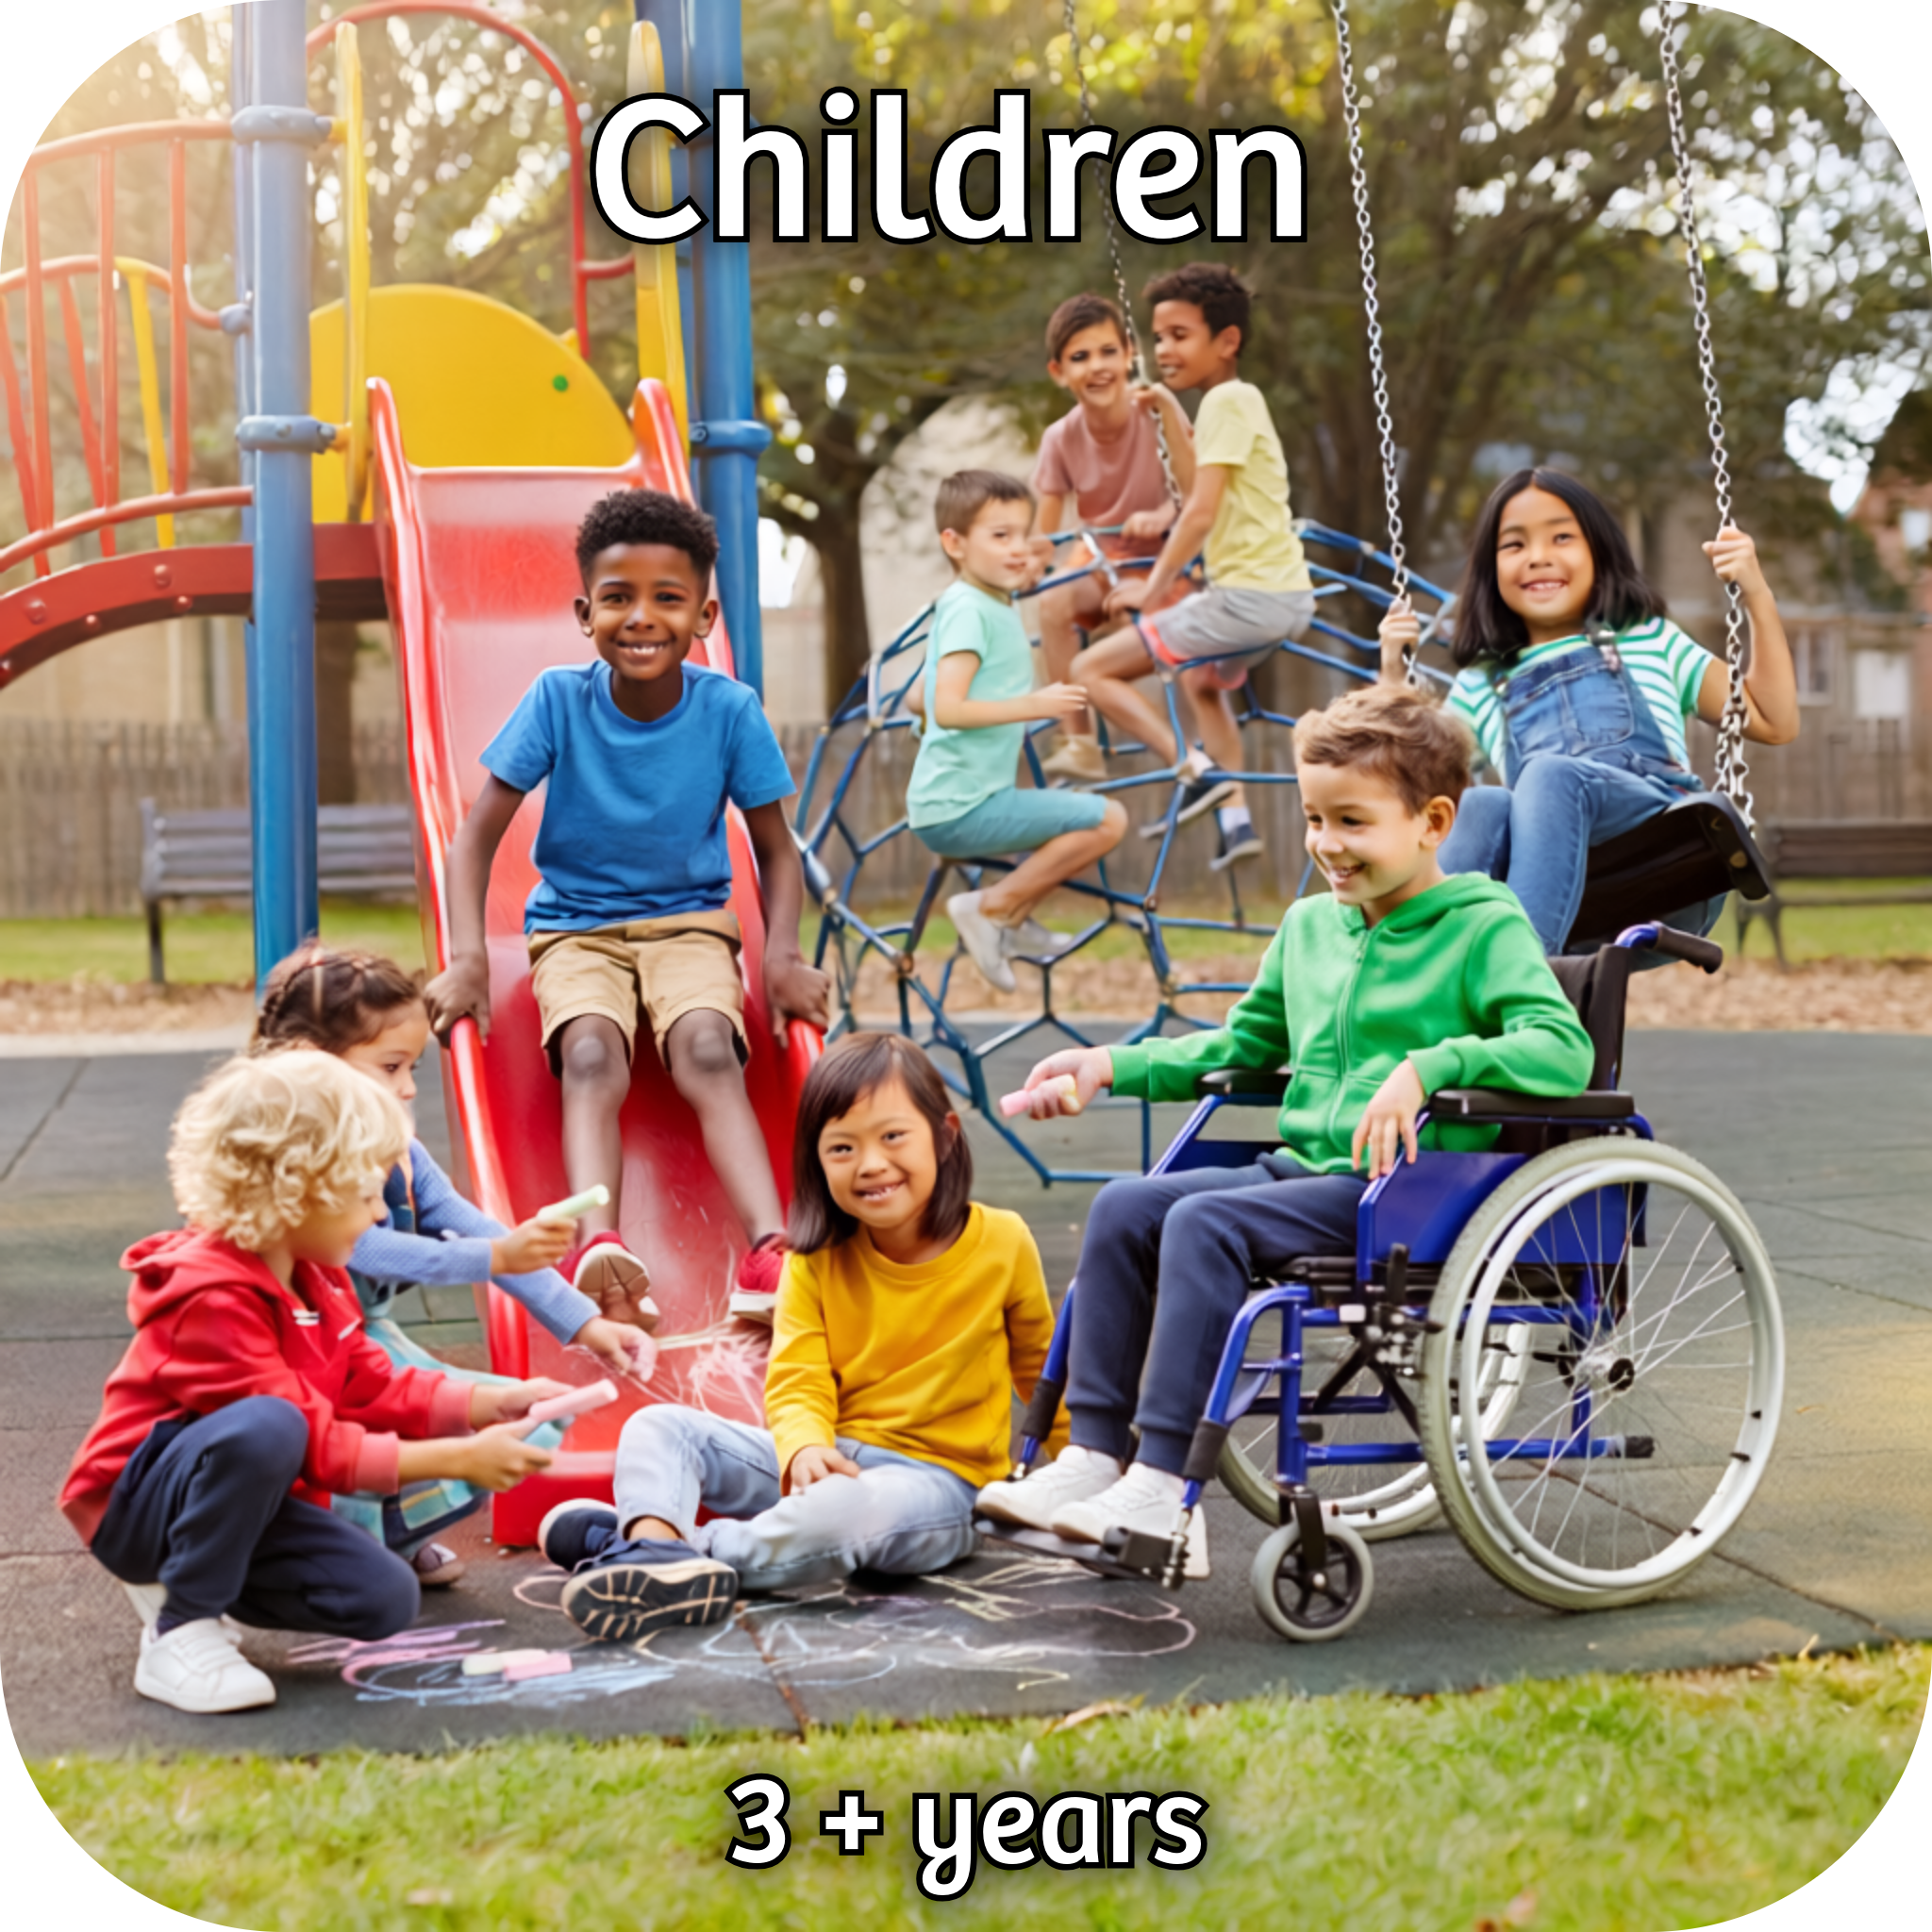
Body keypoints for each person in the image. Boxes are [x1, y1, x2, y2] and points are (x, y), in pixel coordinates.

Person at [977, 683, 1593, 1572]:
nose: (1327, 845)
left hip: (1406, 1194)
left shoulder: (1483, 926)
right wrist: (1110, 1065)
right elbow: (1242, 1046)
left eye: (1352, 822)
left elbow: (1562, 1049)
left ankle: (1163, 1489)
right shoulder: (1310, 928)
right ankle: (1093, 1455)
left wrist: (1431, 1067)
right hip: (1303, 1173)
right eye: (1313, 819)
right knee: (1125, 1206)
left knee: (1203, 1222)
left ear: (1433, 822)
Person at [424, 490, 830, 1326]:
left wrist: (783, 956)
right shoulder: (557, 700)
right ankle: (598, 1244)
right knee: (590, 1054)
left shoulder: (728, 711)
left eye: (667, 598)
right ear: (586, 615)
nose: (641, 617)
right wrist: (467, 957)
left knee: (708, 1049)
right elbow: (474, 840)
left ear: (704, 616)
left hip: (689, 923)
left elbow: (777, 848)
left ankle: (768, 1249)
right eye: (617, 598)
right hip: (576, 928)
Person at [58, 1052, 565, 1713]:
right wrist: (458, 1458)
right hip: (138, 1505)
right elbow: (312, 1443)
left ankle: (190, 1576)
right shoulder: (210, 1296)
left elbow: (368, 1385)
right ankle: (180, 1628)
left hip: (236, 1495)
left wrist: (487, 1403)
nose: (378, 1216)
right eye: (365, 1195)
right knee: (270, 1425)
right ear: (296, 1193)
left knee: (383, 1598)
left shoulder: (318, 1278)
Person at [536, 1032, 1064, 1638]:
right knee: (658, 1426)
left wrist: (1092, 1469)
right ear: (817, 1161)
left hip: (938, 1486)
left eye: (893, 1136)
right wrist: (806, 1448)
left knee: (841, 1512)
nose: (870, 1163)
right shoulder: (813, 1260)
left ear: (945, 1137)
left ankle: (656, 1550)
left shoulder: (1002, 1241)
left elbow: (1044, 1371)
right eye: (842, 1147)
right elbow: (798, 1377)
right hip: (829, 1454)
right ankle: (655, 1546)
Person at [254, 942, 657, 1587]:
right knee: (370, 1438)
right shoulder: (296, 1154)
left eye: (411, 1066)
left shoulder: (401, 1151)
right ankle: (343, 1557)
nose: (408, 1087)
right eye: (390, 1067)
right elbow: (363, 1249)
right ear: (312, 1064)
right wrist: (492, 1256)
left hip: (363, 1335)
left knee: (458, 1413)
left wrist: (585, 1321)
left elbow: (475, 1226)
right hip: (310, 1342)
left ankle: (399, 1537)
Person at [1378, 466, 1799, 955]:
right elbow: (1404, 784)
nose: (1538, 557)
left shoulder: (1648, 638)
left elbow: (1773, 721)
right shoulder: (1481, 682)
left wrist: (1756, 592)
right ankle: (1420, 968)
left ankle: (1523, 973)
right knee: (1479, 805)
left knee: (1549, 775)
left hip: (1662, 854)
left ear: (1598, 551)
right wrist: (1393, 672)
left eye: (1561, 537)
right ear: (1491, 571)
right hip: (1553, 884)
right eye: (1514, 545)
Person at [1069, 263, 1319, 872]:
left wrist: (1150, 589)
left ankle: (1196, 771)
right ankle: (1236, 822)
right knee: (1200, 682)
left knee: (1089, 669)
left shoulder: (1228, 401)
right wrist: (1165, 410)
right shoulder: (1224, 405)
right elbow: (1191, 491)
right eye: (1158, 337)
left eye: (1180, 335)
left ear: (1226, 341)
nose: (1163, 349)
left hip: (1248, 601)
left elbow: (1199, 516)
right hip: (1282, 597)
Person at [906, 469, 1128, 992]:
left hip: (959, 800)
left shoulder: (979, 601)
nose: (1017, 548)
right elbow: (948, 709)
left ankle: (1010, 917)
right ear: (955, 544)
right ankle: (993, 908)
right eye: (1000, 536)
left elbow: (920, 698)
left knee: (1082, 817)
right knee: (1108, 819)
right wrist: (1035, 704)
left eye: (1022, 535)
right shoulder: (970, 610)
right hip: (960, 808)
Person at [1027, 291, 1194, 782]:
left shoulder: (1157, 412)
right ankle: (1078, 740)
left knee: (1142, 634)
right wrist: (1027, 562)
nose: (1097, 367)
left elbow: (1197, 493)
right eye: (1080, 357)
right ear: (1059, 372)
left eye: (1107, 352)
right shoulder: (1061, 437)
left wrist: (1164, 514)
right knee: (1053, 599)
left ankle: (1187, 753)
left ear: (1129, 354)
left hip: (1166, 559)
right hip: (1101, 560)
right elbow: (1045, 530)